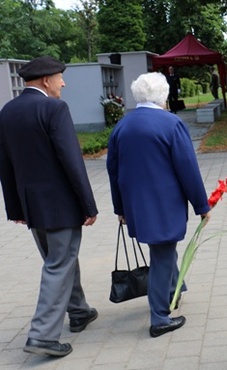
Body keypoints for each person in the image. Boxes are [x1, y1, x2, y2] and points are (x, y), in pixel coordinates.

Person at [0, 56, 99, 357]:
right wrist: (89, 205)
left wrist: (15, 208)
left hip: (32, 208)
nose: (63, 83)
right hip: (60, 205)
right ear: (46, 80)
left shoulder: (7, 111)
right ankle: (42, 335)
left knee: (62, 259)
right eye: (60, 77)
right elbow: (72, 161)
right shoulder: (54, 108)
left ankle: (79, 310)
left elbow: (5, 164)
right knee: (59, 263)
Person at [106, 72, 211, 338]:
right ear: (163, 96)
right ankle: (159, 317)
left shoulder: (122, 126)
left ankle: (175, 290)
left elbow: (113, 170)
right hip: (164, 204)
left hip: (136, 206)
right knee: (162, 256)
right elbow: (187, 168)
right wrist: (202, 205)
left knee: (163, 250)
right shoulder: (170, 124)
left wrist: (120, 208)